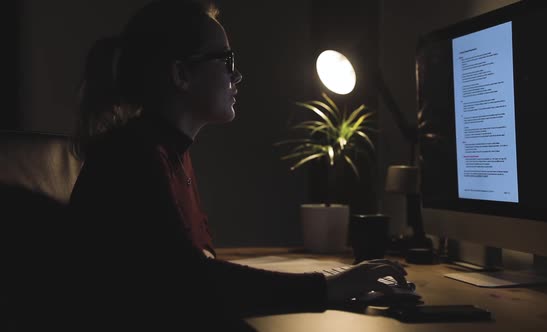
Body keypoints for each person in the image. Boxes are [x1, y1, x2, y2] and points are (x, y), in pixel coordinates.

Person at [68, 0, 408, 328]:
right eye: (227, 60)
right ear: (181, 73)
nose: (238, 76)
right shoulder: (133, 157)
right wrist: (327, 288)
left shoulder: (166, 149)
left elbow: (194, 267)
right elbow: (189, 282)